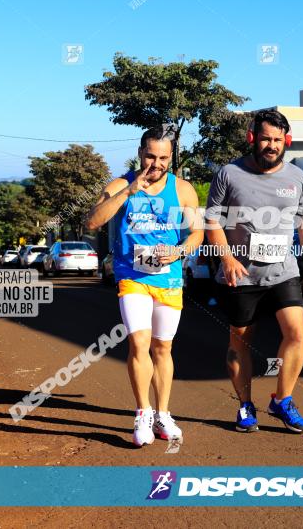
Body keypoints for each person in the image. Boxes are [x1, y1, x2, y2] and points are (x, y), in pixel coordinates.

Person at [84, 125, 203, 447]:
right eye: (151, 156)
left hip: (169, 278)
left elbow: (197, 233)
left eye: (163, 157)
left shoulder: (183, 190)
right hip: (132, 276)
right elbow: (93, 221)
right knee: (139, 343)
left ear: (171, 157)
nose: (156, 163)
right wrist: (129, 191)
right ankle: (143, 413)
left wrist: (178, 251)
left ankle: (163, 414)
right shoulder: (122, 184)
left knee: (163, 348)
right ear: (140, 153)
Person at [205, 109, 303, 433]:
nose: (272, 145)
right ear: (252, 137)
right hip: (240, 274)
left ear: (287, 141)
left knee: (296, 333)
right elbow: (211, 221)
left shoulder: (298, 178)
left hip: (283, 271)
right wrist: (227, 259)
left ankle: (282, 400)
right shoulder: (229, 174)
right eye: (266, 138)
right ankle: (244, 406)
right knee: (241, 341)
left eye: (278, 140)